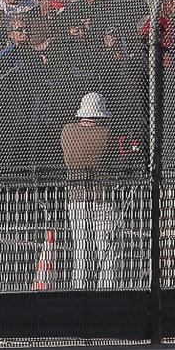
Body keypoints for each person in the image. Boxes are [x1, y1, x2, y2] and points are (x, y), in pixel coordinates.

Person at [60, 92, 123, 290]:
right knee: (108, 251)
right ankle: (107, 291)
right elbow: (118, 163)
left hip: (75, 197)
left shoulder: (67, 131)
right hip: (101, 197)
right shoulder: (107, 134)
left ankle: (80, 292)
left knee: (81, 250)